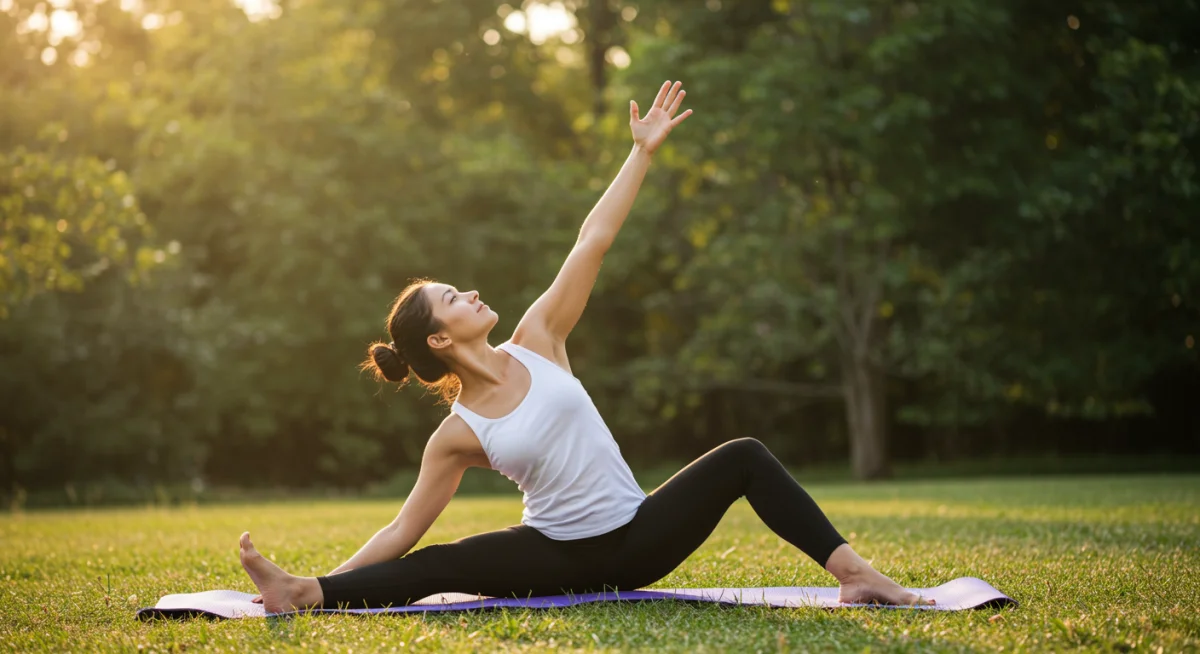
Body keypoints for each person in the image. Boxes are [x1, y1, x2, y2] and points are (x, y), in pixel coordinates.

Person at [238, 81, 934, 613]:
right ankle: (304, 594)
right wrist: (330, 578)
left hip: (637, 537)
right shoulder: (457, 434)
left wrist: (640, 153)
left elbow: (591, 241)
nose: (471, 291)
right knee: (441, 563)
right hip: (551, 555)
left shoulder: (539, 339)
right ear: (439, 338)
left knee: (744, 456)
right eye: (453, 297)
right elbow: (401, 533)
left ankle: (855, 574)